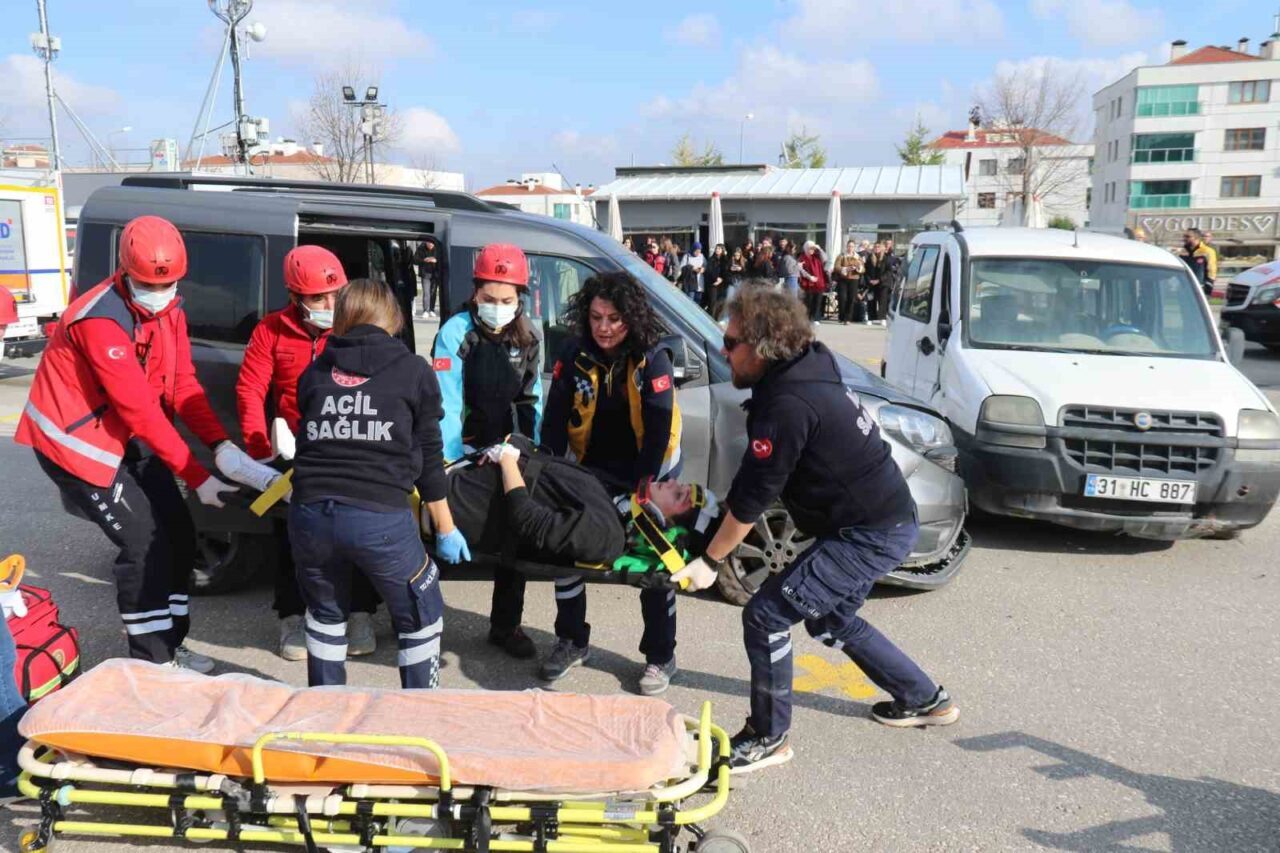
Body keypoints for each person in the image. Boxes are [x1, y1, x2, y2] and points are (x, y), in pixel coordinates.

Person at [676, 283, 958, 773]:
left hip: (869, 533)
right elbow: (755, 477)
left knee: (765, 616)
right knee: (831, 619)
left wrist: (710, 560)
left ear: (764, 348)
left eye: (731, 342)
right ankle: (924, 699)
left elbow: (754, 498)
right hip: (879, 517)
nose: (723, 351)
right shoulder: (804, 366)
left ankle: (768, 737)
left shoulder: (789, 404)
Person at [14, 216, 274, 672]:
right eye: (149, 284)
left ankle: (172, 646)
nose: (160, 292)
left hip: (128, 439)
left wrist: (220, 445)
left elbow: (182, 384)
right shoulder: (99, 319)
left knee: (179, 536)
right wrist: (197, 477)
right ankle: (151, 663)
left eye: (168, 283)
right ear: (125, 270)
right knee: (144, 546)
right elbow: (139, 409)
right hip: (81, 447)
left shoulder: (169, 308)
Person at [290, 278, 467, 688]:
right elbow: (429, 459)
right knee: (421, 613)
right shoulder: (413, 372)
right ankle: (417, 712)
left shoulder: (314, 372)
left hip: (310, 516)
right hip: (379, 518)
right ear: (394, 318)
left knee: (326, 616)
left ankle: (326, 708)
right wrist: (446, 527)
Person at [236, 245, 382, 661]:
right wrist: (261, 454)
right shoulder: (270, 330)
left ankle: (360, 613)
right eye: (319, 298)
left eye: (337, 295)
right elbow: (250, 390)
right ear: (295, 297)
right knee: (292, 537)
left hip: (349, 446)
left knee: (356, 532)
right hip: (295, 453)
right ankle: (292, 617)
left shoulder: (354, 328)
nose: (331, 306)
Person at [541, 272, 683, 694]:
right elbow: (554, 417)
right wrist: (550, 471)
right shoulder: (574, 352)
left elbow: (658, 429)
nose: (603, 327)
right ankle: (572, 640)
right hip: (590, 469)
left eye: (614, 319)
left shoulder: (653, 357)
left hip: (649, 468)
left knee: (652, 561)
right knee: (566, 551)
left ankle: (661, 655)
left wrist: (643, 489)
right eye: (596, 317)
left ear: (631, 318)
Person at [432, 243, 544, 659]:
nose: (497, 308)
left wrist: (527, 451)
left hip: (507, 452)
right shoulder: (455, 332)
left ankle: (506, 625)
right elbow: (445, 403)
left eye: (506, 300)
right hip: (461, 450)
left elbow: (531, 400)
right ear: (475, 293)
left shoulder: (529, 338)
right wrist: (449, 460)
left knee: (513, 535)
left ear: (520, 298)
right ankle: (419, 617)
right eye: (489, 299)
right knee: (441, 533)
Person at [437, 437, 722, 574]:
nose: (671, 483)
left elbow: (527, 520)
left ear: (663, 527)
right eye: (681, 486)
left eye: (678, 496)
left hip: (455, 503)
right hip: (461, 479)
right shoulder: (615, 504)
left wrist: (508, 462)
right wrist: (511, 450)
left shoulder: (606, 536)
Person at [832, 241, 865, 324]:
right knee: (842, 298)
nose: (850, 248)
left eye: (852, 246)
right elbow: (836, 267)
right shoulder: (841, 255)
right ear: (847, 247)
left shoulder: (858, 257)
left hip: (854, 279)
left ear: (854, 247)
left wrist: (858, 268)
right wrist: (845, 268)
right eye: (849, 246)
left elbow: (863, 269)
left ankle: (848, 318)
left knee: (851, 298)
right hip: (843, 279)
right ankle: (841, 317)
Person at [1182, 228, 1217, 298]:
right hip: (1184, 289)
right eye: (1184, 236)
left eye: (1188, 236)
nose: (1184, 239)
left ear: (1196, 238)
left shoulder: (1208, 251)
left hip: (1200, 289)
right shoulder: (1182, 252)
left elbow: (1212, 271)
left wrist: (1208, 286)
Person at [798, 241, 828, 324]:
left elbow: (825, 259)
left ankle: (816, 318)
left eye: (813, 249)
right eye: (810, 248)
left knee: (818, 301)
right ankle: (808, 317)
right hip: (808, 283)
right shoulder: (802, 258)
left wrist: (820, 249)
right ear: (806, 249)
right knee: (809, 301)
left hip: (819, 282)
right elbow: (800, 269)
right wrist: (809, 277)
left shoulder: (817, 257)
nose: (812, 250)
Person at [413, 237, 442, 319]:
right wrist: (424, 260)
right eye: (429, 243)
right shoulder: (421, 248)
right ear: (426, 242)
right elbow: (415, 260)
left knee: (433, 292)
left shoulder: (438, 248)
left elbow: (442, 259)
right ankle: (426, 310)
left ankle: (432, 309)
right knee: (426, 292)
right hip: (425, 274)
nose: (430, 245)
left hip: (435, 274)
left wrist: (436, 260)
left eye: (432, 244)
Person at [863, 242, 888, 325]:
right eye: (875, 247)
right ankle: (871, 318)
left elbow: (888, 272)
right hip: (871, 284)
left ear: (881, 248)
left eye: (878, 247)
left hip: (882, 284)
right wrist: (869, 280)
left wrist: (879, 280)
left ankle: (882, 318)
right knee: (871, 300)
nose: (877, 248)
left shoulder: (885, 258)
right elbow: (866, 271)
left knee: (882, 301)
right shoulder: (870, 258)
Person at [705, 243, 729, 318]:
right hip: (713, 284)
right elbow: (709, 271)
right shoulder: (711, 259)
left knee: (720, 303)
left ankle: (717, 318)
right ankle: (711, 318)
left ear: (722, 250)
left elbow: (726, 271)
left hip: (722, 284)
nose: (717, 250)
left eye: (719, 248)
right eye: (716, 248)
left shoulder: (725, 260)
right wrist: (716, 278)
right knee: (712, 303)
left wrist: (721, 279)